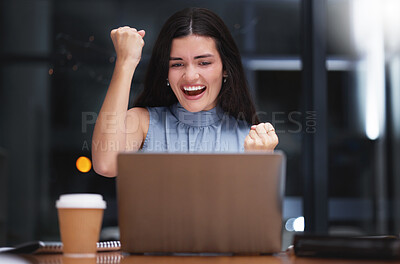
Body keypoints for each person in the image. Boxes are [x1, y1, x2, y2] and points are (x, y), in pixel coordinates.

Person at [92, 7, 278, 177]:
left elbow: (250, 212)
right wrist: (125, 62)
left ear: (225, 69)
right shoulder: (143, 123)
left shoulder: (251, 140)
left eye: (204, 63)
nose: (190, 76)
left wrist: (258, 165)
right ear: (165, 71)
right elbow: (106, 164)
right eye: (177, 64)